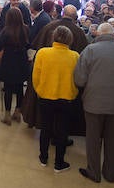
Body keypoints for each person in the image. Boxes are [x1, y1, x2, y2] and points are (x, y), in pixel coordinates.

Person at [74, 23, 114, 183]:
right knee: (113, 139)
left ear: (98, 34)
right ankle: (111, 172)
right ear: (113, 35)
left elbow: (79, 79)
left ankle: (94, 171)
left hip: (93, 101)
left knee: (93, 138)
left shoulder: (90, 50)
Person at [31, 26, 80, 172]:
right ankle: (59, 163)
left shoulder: (43, 53)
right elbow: (78, 78)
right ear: (70, 39)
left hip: (45, 96)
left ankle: (43, 157)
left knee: (45, 128)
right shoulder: (75, 56)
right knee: (62, 131)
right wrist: (74, 92)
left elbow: (36, 76)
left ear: (54, 37)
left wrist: (39, 90)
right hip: (67, 98)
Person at [0, 7, 29, 126]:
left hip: (9, 61)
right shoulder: (25, 29)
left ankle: (7, 115)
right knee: (20, 88)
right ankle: (18, 112)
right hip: (21, 61)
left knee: (8, 89)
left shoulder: (6, 31)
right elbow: (28, 44)